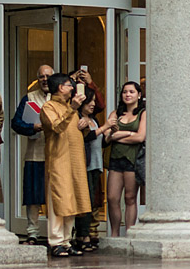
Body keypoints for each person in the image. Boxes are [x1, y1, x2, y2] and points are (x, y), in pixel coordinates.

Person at [39, 74, 91, 257]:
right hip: (58, 160)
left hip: (74, 160)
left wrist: (83, 125)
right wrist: (73, 110)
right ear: (61, 87)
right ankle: (55, 241)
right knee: (58, 199)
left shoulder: (71, 108)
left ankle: (67, 241)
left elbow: (73, 133)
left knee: (72, 199)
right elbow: (57, 127)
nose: (73, 89)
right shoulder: (48, 107)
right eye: (70, 85)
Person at [10, 64, 52, 244]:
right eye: (41, 76)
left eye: (48, 76)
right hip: (35, 154)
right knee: (33, 197)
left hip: (56, 156)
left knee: (54, 196)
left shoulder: (61, 98)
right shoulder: (29, 98)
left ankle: (56, 234)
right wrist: (32, 127)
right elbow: (15, 123)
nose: (45, 80)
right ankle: (32, 233)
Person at [104, 81, 147, 237]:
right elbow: (107, 137)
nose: (128, 95)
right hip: (115, 159)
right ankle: (114, 234)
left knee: (130, 197)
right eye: (125, 92)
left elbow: (141, 137)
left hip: (133, 159)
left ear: (139, 95)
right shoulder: (115, 114)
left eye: (131, 92)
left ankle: (129, 233)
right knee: (112, 197)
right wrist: (127, 135)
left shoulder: (143, 113)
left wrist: (121, 135)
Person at [73, 95, 107, 252]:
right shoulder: (78, 119)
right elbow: (87, 137)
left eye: (94, 101)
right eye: (89, 101)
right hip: (85, 165)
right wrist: (105, 127)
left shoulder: (94, 120)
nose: (93, 104)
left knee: (93, 201)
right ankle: (83, 235)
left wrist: (110, 133)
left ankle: (86, 234)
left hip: (96, 164)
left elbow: (101, 140)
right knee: (85, 202)